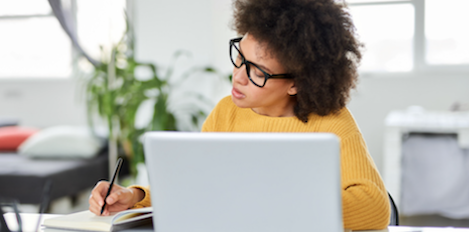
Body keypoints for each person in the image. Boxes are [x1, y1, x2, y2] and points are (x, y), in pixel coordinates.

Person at [89, 0, 390, 230]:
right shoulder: (226, 113)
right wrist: (133, 196)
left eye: (257, 71)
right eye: (239, 57)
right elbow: (194, 186)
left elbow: (376, 209)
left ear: (297, 83)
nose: (238, 77)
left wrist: (281, 204)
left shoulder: (331, 122)